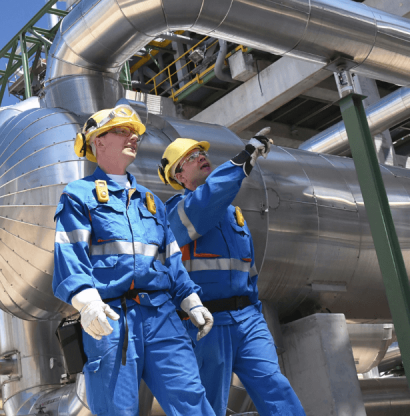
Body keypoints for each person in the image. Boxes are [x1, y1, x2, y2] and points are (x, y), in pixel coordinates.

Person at [52, 104, 217, 416]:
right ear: (97, 142)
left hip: (162, 315)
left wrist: (191, 301)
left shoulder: (151, 201)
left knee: (192, 401)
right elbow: (69, 253)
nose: (133, 137)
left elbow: (170, 258)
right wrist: (87, 302)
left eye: (135, 133)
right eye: (122, 131)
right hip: (111, 317)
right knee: (116, 409)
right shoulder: (79, 195)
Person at [158, 132, 306, 416]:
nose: (201, 157)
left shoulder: (233, 215)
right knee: (206, 403)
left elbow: (248, 271)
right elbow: (208, 199)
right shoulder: (176, 214)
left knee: (275, 385)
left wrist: (256, 312)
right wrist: (242, 160)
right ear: (178, 176)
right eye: (190, 157)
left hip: (248, 320)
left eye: (202, 152)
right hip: (206, 324)